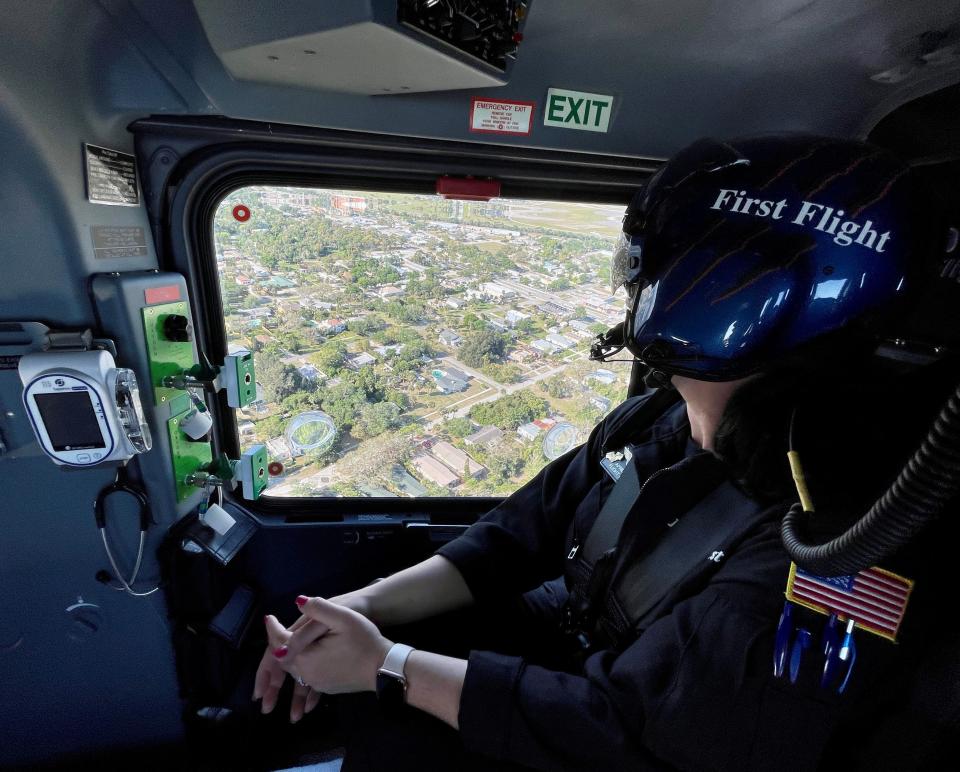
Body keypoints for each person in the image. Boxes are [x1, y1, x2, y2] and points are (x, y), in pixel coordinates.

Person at [254, 135, 952, 770]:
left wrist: (388, 666)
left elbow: (645, 735)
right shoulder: (659, 418)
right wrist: (362, 610)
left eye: (651, 265)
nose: (633, 283)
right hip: (584, 658)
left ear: (729, 284)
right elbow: (513, 537)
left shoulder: (841, 542)